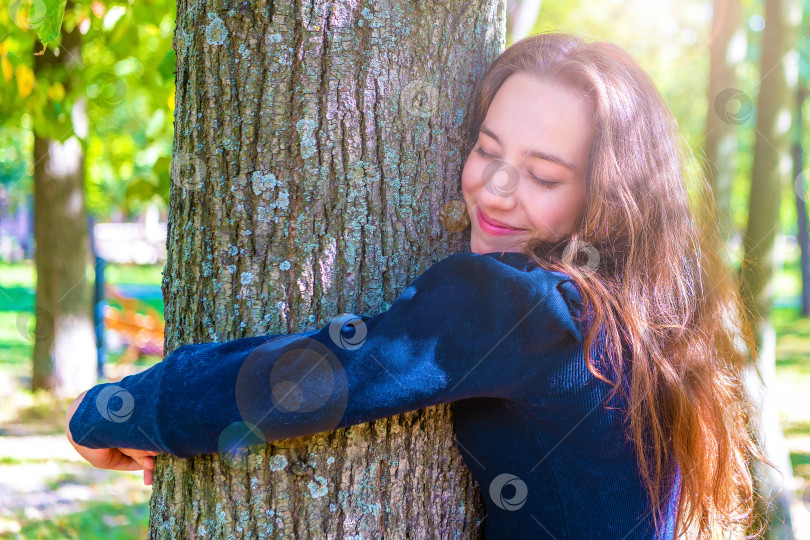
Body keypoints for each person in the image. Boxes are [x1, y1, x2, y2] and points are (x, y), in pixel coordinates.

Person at [65, 32, 770, 539]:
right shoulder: (639, 320)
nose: (493, 190)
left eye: (544, 175)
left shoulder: (523, 306)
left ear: (608, 200)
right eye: (487, 150)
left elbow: (311, 378)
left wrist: (117, 410)